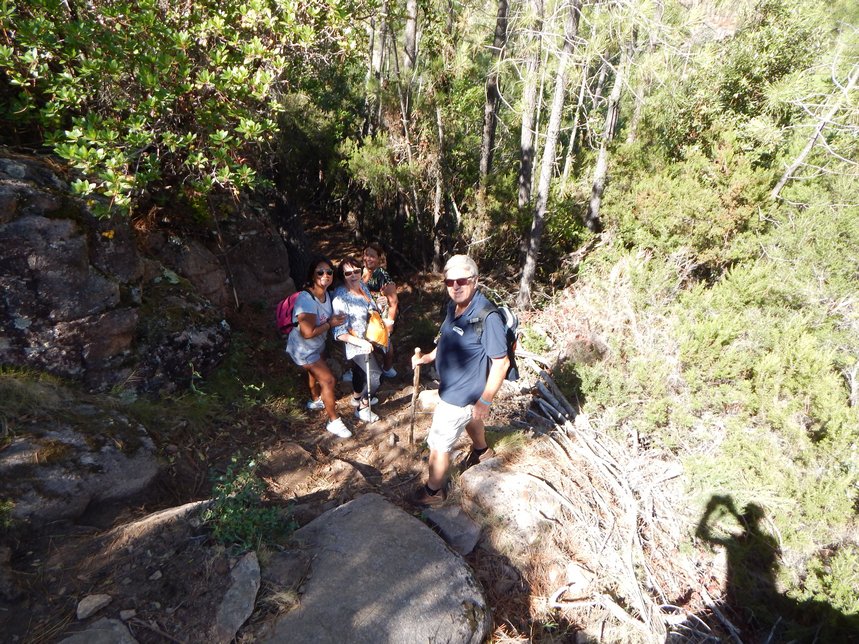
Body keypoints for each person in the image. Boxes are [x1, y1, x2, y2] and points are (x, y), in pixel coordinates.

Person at [409, 255, 509, 507]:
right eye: (449, 282)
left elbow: (501, 363)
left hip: (461, 394)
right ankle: (482, 452)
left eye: (462, 280)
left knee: (438, 444)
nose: (455, 286)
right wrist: (430, 356)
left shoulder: (487, 317)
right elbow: (447, 337)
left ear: (475, 281)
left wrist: (485, 400)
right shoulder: (453, 307)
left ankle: (433, 492)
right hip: (454, 388)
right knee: (470, 419)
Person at [285, 256, 351, 438]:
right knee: (328, 380)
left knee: (314, 373)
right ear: (312, 275)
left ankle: (315, 400)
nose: (325, 275)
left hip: (316, 345)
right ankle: (334, 421)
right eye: (320, 272)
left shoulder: (326, 294)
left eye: (329, 272)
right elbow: (307, 333)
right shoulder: (306, 300)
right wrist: (330, 324)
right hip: (303, 349)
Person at [332, 256, 383, 423]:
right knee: (376, 376)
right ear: (342, 276)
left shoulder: (361, 286)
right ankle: (362, 407)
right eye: (348, 273)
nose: (353, 275)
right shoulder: (340, 298)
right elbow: (339, 332)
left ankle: (356, 397)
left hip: (369, 338)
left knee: (359, 371)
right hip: (356, 343)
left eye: (356, 271)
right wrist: (361, 342)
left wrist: (380, 305)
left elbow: (370, 308)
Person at [362, 242, 398, 378]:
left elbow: (393, 301)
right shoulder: (361, 272)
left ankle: (387, 367)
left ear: (379, 258)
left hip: (380, 315)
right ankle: (361, 369)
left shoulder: (381, 274)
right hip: (365, 315)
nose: (368, 258)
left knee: (385, 343)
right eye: (366, 255)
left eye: (372, 256)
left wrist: (390, 322)